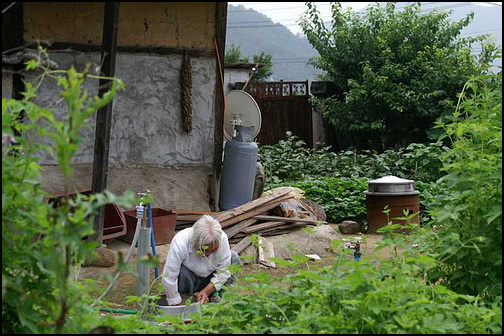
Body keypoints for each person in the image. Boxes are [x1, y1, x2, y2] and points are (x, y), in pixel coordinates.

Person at [161, 214, 241, 306]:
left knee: (234, 257)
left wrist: (206, 291)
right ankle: (186, 298)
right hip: (189, 280)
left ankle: (216, 297)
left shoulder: (222, 239)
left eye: (213, 250)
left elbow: (224, 271)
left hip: (209, 280)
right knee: (182, 270)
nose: (208, 254)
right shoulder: (180, 241)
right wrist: (177, 303)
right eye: (204, 250)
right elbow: (169, 276)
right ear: (195, 242)